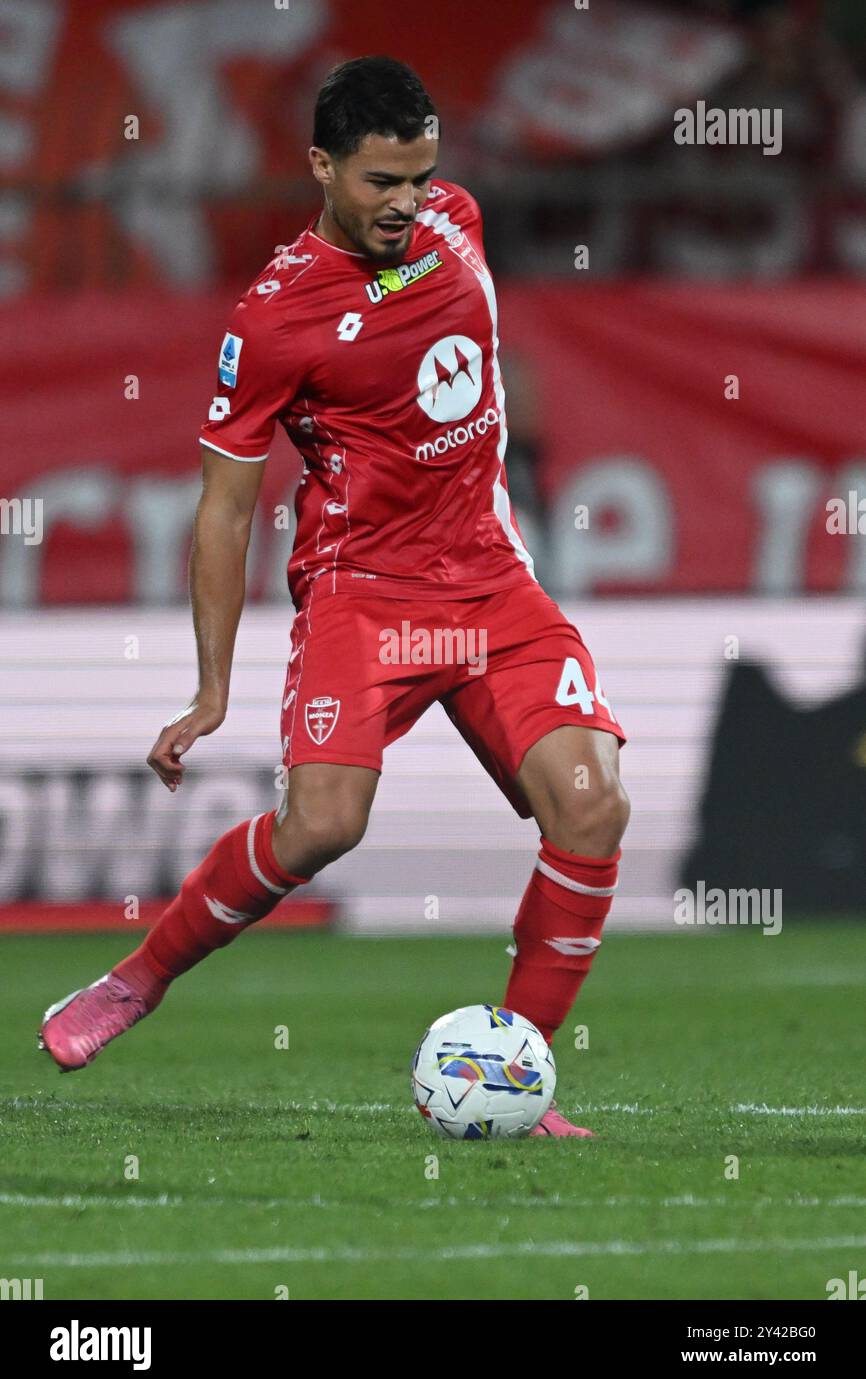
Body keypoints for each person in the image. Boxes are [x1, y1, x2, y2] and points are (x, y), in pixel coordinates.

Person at [39, 56, 629, 1138]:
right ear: (319, 167)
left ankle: (516, 1075)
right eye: (378, 183)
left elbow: (484, 351)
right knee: (320, 827)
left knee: (590, 805)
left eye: (418, 176)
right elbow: (222, 511)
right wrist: (209, 689)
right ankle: (138, 977)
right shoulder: (273, 318)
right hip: (365, 591)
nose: (406, 203)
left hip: (492, 580)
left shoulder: (457, 219)